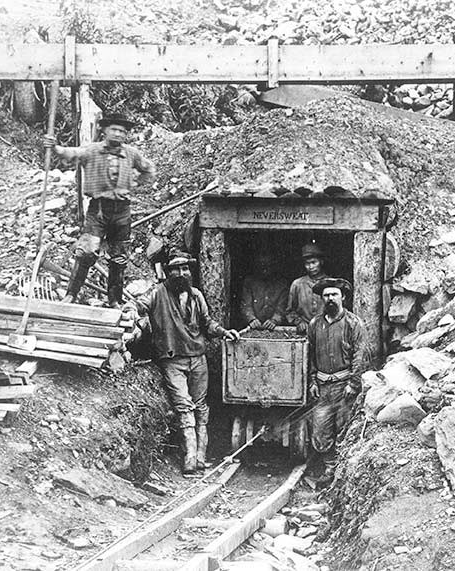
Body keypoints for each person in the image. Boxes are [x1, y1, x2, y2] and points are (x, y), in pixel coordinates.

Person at [128, 252, 240, 474]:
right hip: (173, 359)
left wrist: (224, 332)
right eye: (176, 270)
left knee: (201, 406)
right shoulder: (158, 294)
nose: (181, 274)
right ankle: (190, 457)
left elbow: (207, 323)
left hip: (198, 358)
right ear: (168, 272)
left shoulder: (196, 295)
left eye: (185, 269)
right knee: (184, 406)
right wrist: (130, 311)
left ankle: (201, 457)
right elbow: (139, 305)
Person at [43, 113, 155, 307]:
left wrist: (135, 183)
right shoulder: (92, 150)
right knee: (86, 252)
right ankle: (71, 294)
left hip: (122, 212)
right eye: (114, 129)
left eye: (122, 131)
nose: (119, 134)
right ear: (104, 130)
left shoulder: (131, 154)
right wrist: (55, 147)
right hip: (98, 211)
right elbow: (71, 153)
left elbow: (148, 169)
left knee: (118, 258)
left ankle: (114, 300)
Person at [307, 277, 367, 488]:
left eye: (334, 294)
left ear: (343, 297)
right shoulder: (315, 324)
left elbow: (360, 356)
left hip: (344, 387)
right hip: (323, 388)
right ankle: (330, 467)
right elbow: (311, 355)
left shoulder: (353, 323)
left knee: (344, 428)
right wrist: (313, 380)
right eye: (326, 295)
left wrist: (354, 383)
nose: (330, 299)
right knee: (320, 432)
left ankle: (341, 473)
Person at [285, 243, 328, 334]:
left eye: (313, 262)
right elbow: (290, 311)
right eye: (307, 264)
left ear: (321, 262)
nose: (310, 267)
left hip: (326, 331)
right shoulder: (297, 284)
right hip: (304, 331)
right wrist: (299, 322)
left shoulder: (330, 283)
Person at [240, 251, 288, 330]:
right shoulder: (250, 282)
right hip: (253, 326)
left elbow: (283, 306)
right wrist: (251, 319)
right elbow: (246, 304)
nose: (265, 270)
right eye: (262, 266)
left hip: (276, 327)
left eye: (268, 266)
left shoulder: (282, 283)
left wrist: (275, 320)